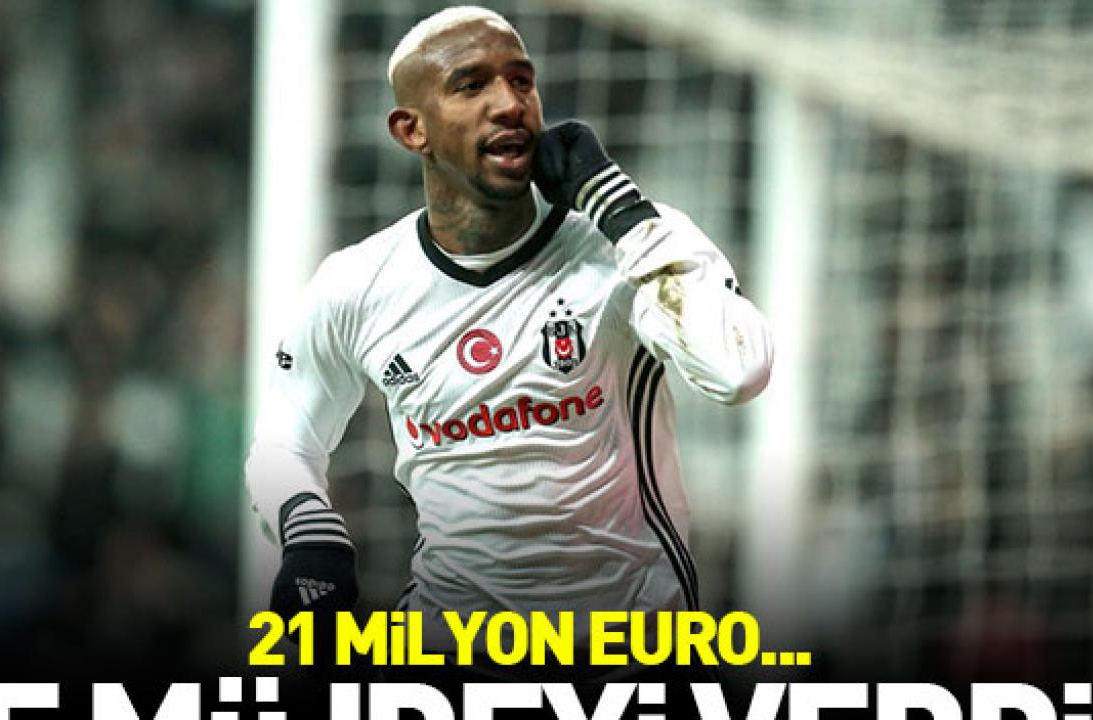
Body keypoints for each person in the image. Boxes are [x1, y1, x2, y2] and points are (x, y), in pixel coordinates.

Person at [245, 4, 773, 681]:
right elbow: (284, 442)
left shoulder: (627, 244)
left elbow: (740, 370)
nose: (510, 104)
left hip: (631, 656)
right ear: (412, 130)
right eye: (472, 86)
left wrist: (622, 212)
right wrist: (305, 527)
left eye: (521, 81)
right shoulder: (358, 285)